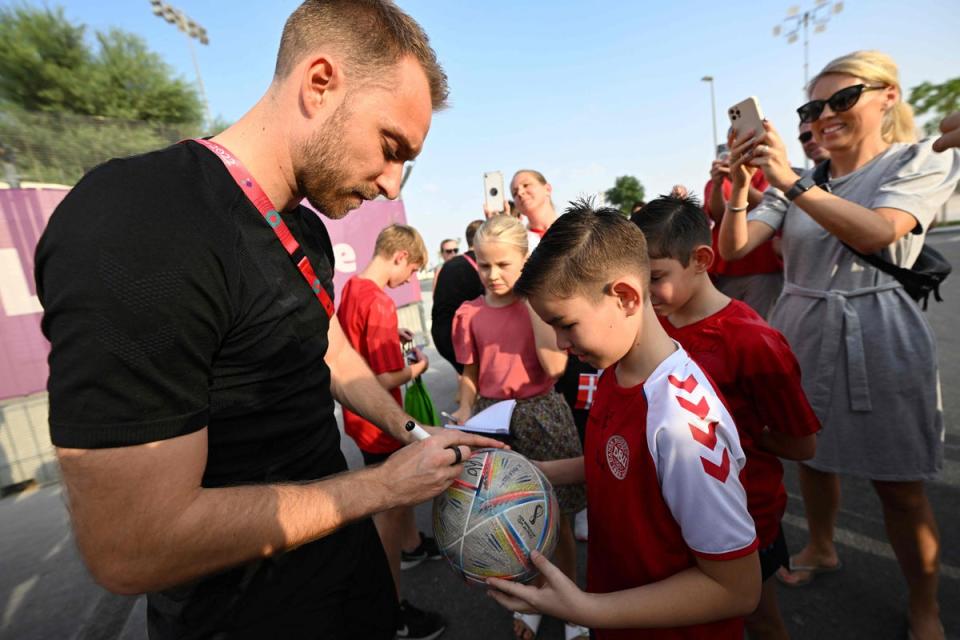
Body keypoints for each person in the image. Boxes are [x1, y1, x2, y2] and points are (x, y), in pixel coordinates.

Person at [34, 2, 505, 638]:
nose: (392, 187)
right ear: (319, 83)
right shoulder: (138, 220)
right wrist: (382, 489)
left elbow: (330, 351)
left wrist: (409, 430)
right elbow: (129, 544)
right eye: (391, 147)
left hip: (347, 580)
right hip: (241, 616)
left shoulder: (302, 227)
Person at [718, 50, 960, 640]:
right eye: (813, 106)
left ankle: (924, 603)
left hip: (879, 329)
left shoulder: (919, 160)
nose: (825, 115)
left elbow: (878, 231)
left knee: (899, 488)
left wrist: (792, 181)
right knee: (812, 457)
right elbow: (732, 247)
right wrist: (737, 189)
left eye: (842, 99)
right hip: (802, 329)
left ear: (888, 98)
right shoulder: (806, 179)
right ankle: (823, 546)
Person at [488, 203, 761, 639]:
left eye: (566, 324)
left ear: (626, 297)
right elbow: (615, 467)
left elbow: (736, 589)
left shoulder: (684, 424)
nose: (559, 343)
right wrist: (529, 473)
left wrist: (587, 608)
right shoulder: (613, 370)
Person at [632, 195, 821, 640]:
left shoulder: (753, 342)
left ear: (701, 260)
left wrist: (727, 433)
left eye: (655, 278)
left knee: (758, 618)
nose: (641, 294)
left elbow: (802, 444)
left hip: (746, 519)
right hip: (670, 517)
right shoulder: (653, 326)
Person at [450, 215, 588, 640]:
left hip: (542, 414)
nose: (492, 275)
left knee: (559, 519)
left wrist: (532, 300)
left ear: (526, 261)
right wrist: (464, 409)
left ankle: (571, 605)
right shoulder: (469, 313)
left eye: (504, 264)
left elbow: (555, 365)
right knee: (509, 520)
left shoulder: (539, 306)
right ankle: (532, 598)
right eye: (483, 264)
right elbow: (470, 374)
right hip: (495, 422)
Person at [337, 223, 446, 640]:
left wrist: (389, 335)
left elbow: (357, 343)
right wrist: (417, 367)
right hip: (383, 424)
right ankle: (392, 610)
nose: (407, 281)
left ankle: (413, 546)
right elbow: (383, 379)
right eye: (411, 271)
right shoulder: (380, 301)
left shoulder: (352, 289)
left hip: (359, 424)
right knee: (393, 506)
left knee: (396, 511)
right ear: (400, 257)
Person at [703, 145, 782, 319]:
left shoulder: (771, 172)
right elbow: (718, 214)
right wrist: (717, 185)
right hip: (728, 269)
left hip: (764, 267)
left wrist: (740, 183)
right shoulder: (721, 176)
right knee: (727, 323)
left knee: (761, 325)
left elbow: (769, 206)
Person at [431, 219, 484, 374]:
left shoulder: (449, 267)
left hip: (443, 336)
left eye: (455, 249)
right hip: (459, 337)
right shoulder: (481, 262)